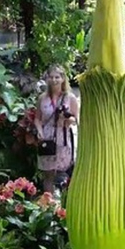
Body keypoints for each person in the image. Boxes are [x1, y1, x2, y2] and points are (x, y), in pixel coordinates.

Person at [34, 65, 79, 193]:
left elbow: (76, 119)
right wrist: (39, 130)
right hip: (47, 138)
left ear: (63, 79)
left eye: (57, 77)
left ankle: (64, 205)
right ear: (47, 79)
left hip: (63, 138)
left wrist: (67, 120)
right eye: (51, 77)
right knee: (48, 175)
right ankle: (48, 204)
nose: (54, 80)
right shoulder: (42, 98)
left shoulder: (70, 98)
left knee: (64, 172)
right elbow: (37, 118)